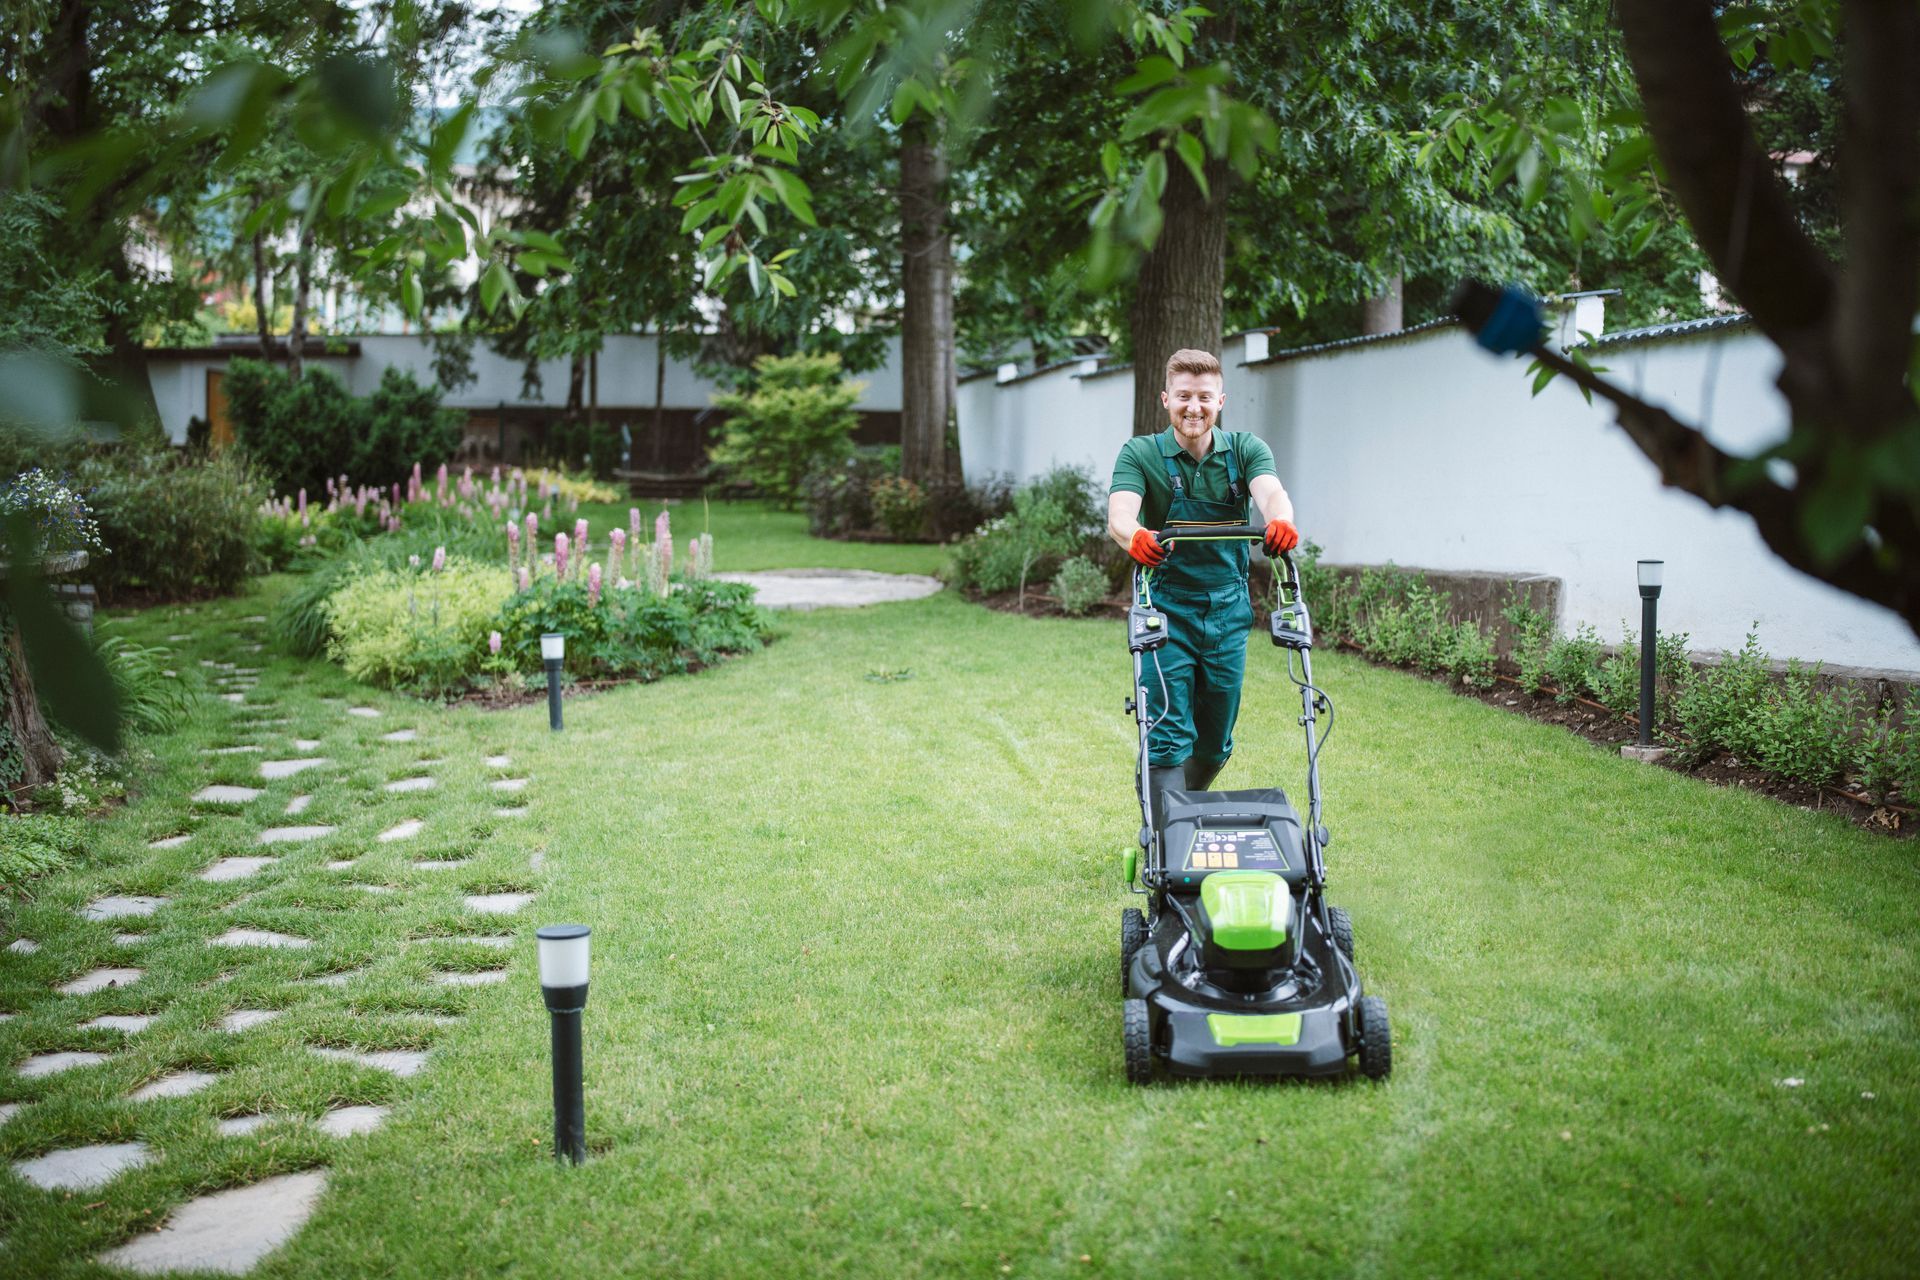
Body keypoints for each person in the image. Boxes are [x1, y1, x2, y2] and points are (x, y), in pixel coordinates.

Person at [1107, 347, 1299, 820]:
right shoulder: (1141, 453)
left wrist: (1280, 520)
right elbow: (1120, 514)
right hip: (1166, 611)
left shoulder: (1246, 450)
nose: (1194, 407)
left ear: (1221, 401)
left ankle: (1176, 809)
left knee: (1214, 742)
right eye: (1184, 396)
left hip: (1228, 613)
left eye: (1204, 397)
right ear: (1165, 399)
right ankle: (1166, 835)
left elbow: (1271, 493)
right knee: (1169, 733)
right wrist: (1136, 537)